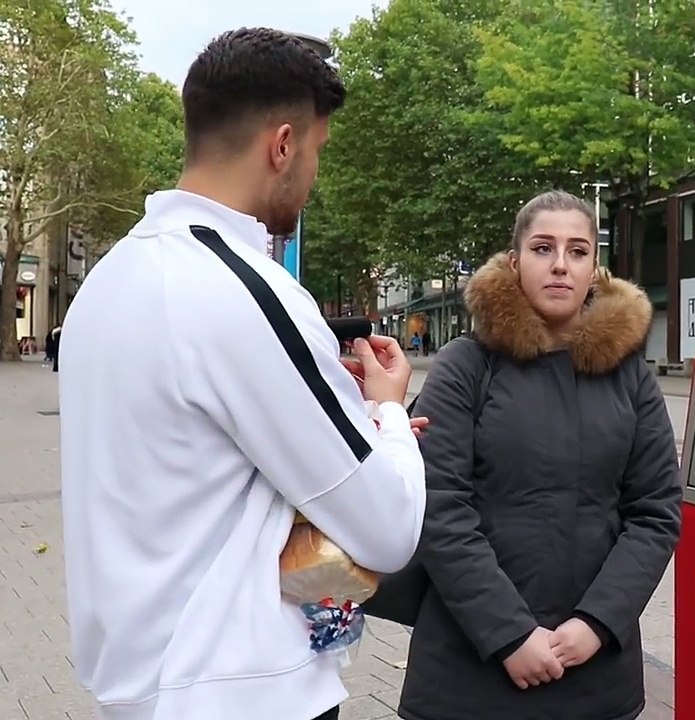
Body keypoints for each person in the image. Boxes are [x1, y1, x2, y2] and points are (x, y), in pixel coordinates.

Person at [57, 28, 427, 720]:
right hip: (241, 688)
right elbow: (389, 526)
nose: (314, 176)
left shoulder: (108, 283)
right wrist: (388, 415)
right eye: (317, 151)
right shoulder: (248, 291)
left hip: (140, 684)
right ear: (282, 145)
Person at [369, 190, 682, 720]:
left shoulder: (630, 374)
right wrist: (508, 633)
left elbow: (656, 511)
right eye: (543, 248)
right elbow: (438, 506)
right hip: (469, 671)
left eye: (577, 251)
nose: (560, 264)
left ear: (593, 269)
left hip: (595, 674)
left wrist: (598, 622)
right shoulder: (465, 366)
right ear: (515, 262)